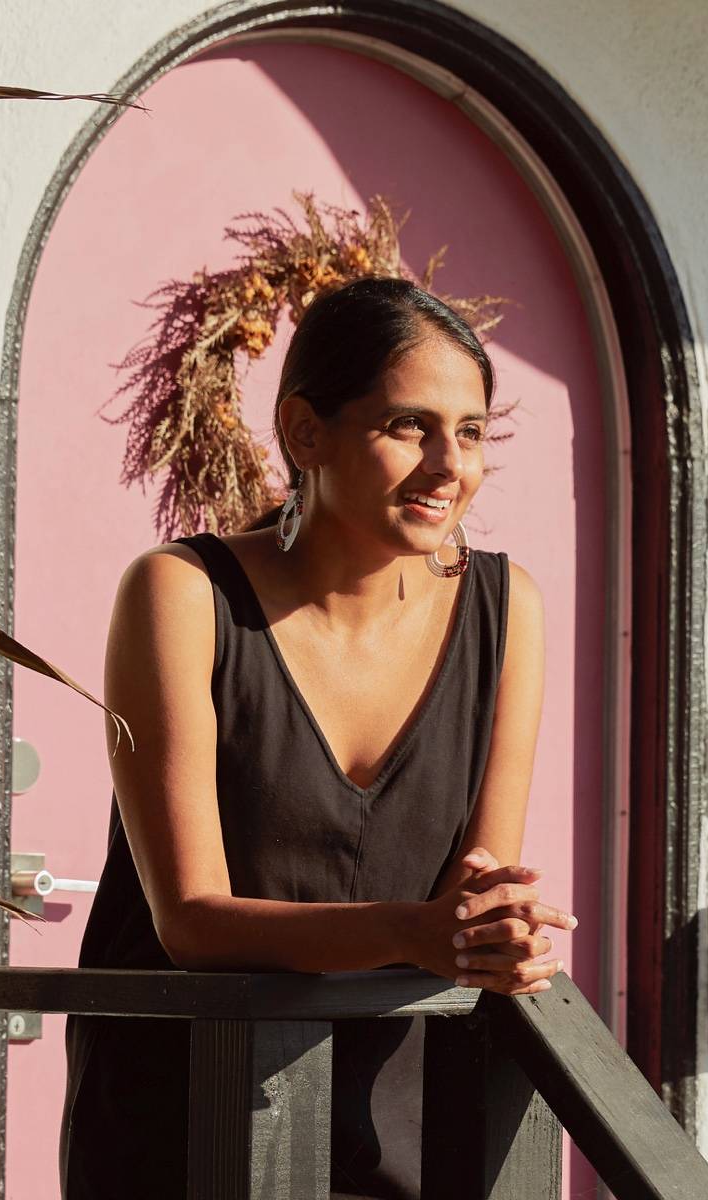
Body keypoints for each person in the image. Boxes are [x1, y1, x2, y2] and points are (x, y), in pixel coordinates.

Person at [60, 276, 572, 1198]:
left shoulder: (508, 609)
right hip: (184, 1125)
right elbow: (191, 922)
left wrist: (506, 933)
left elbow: (476, 886)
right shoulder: (182, 595)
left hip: (401, 1116)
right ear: (305, 433)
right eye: (408, 426)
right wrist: (421, 935)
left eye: (471, 432)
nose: (447, 465)